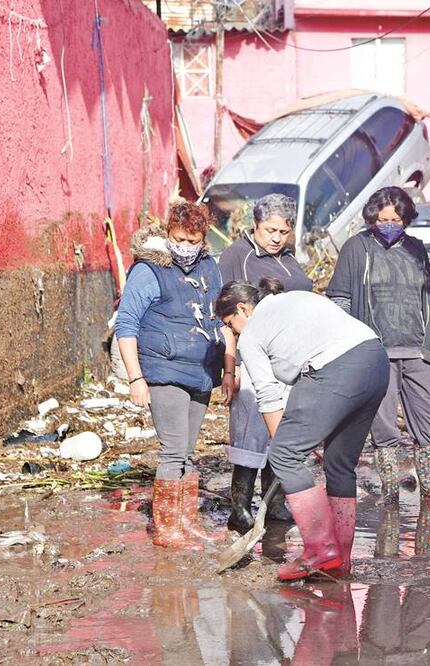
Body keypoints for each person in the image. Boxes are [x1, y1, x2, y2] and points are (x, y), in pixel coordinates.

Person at [216, 278, 389, 580]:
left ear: (243, 309)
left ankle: (320, 549)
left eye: (230, 323)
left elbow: (268, 397)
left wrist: (285, 448)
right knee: (339, 464)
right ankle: (340, 560)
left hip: (337, 368)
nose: (232, 332)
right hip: (375, 360)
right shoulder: (295, 298)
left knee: (283, 454)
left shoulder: (252, 334)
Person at [326, 186, 430, 506]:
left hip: (416, 350)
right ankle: (390, 490)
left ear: (406, 219)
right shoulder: (356, 247)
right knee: (383, 423)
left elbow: (428, 300)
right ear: (372, 216)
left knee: (428, 417)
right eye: (383, 217)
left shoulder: (416, 248)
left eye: (396, 218)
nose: (389, 223)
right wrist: (346, 348)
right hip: (375, 353)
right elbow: (340, 299)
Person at [115, 201, 236, 549]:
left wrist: (229, 369)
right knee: (172, 451)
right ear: (168, 234)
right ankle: (167, 530)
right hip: (163, 369)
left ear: (203, 239)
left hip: (201, 370)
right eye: (178, 238)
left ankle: (187, 522)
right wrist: (136, 378)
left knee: (186, 452)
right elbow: (127, 325)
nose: (184, 247)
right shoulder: (149, 270)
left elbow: (222, 321)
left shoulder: (210, 269)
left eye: (192, 240)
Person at [217, 194, 312, 534]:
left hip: (290, 357)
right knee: (250, 433)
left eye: (283, 231)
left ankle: (274, 502)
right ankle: (239, 506)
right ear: (254, 225)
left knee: (279, 431)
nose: (276, 237)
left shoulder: (288, 258)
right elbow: (224, 314)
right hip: (252, 360)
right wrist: (231, 367)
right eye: (270, 229)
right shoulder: (236, 257)